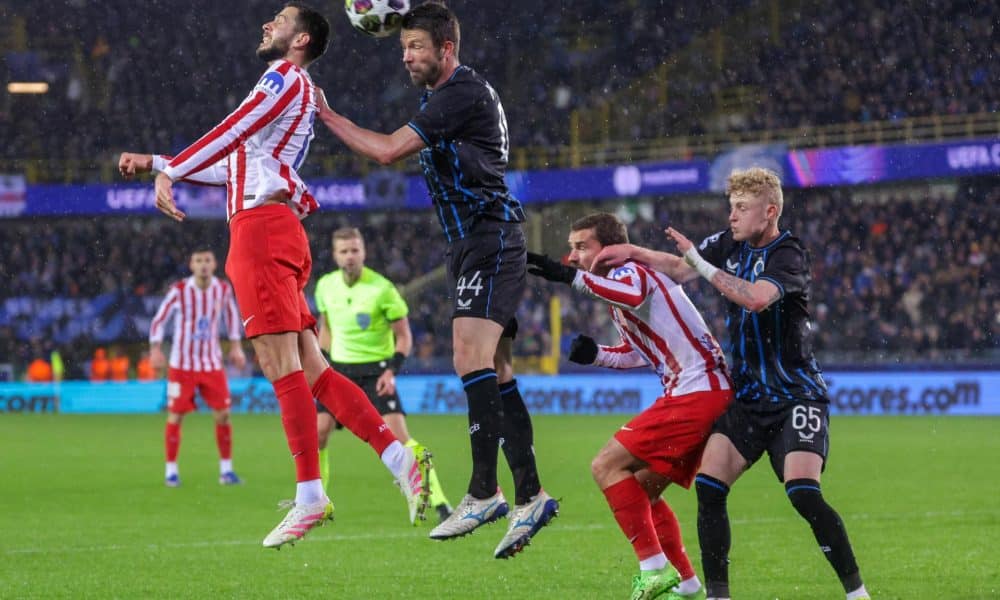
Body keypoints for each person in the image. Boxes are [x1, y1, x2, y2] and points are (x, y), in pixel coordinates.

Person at [116, 2, 428, 549]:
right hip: (275, 228)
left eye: (279, 20)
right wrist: (157, 162)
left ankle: (310, 495)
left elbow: (231, 129)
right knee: (314, 370)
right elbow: (234, 160)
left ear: (300, 38)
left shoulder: (283, 77)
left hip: (260, 232)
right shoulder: (292, 92)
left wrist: (171, 168)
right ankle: (401, 459)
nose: (268, 25)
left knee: (279, 364)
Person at [313, 1, 558, 558]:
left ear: (447, 50)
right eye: (403, 48)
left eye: (416, 47)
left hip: (488, 239)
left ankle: (482, 491)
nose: (406, 57)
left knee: (468, 357)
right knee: (495, 369)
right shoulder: (447, 95)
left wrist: (327, 114)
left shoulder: (459, 94)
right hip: (476, 242)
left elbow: (385, 151)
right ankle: (531, 494)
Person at [593, 168, 869, 600]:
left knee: (802, 493)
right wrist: (632, 250)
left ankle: (857, 593)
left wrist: (700, 263)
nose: (733, 216)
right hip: (748, 398)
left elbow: (756, 299)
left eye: (742, 208)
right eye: (731, 207)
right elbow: (680, 269)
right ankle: (718, 596)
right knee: (709, 487)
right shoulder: (730, 243)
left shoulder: (789, 253)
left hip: (797, 395)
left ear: (770, 211)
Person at [527, 213, 732, 600]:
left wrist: (567, 277)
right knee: (641, 491)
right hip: (704, 390)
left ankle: (653, 569)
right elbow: (639, 354)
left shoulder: (628, 272)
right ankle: (687, 584)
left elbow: (633, 296)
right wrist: (597, 356)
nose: (573, 256)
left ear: (608, 248)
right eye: (571, 248)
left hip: (697, 390)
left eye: (581, 247)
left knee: (605, 465)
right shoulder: (618, 287)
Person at [314, 227, 453, 522]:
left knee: (401, 440)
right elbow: (326, 329)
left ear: (363, 251)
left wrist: (392, 371)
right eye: (344, 251)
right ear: (335, 255)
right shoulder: (325, 286)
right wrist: (322, 362)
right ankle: (316, 502)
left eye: (355, 250)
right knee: (318, 434)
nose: (350, 256)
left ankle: (439, 502)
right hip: (338, 371)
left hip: (376, 373)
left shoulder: (383, 289)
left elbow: (404, 337)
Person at [148, 248, 247, 487]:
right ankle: (171, 471)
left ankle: (226, 471)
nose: (203, 265)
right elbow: (159, 319)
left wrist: (236, 347)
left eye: (207, 260)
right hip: (182, 364)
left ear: (214, 264)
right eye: (198, 260)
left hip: (211, 363)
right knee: (176, 415)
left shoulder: (222, 289)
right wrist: (155, 349)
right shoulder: (179, 291)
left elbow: (232, 317)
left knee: (223, 415)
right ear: (191, 265)